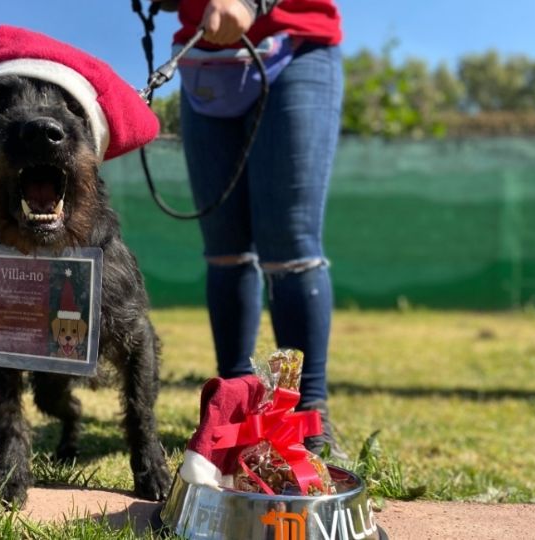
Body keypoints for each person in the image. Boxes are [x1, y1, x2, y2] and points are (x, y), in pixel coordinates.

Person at [153, 0, 347, 459]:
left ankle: (305, 417)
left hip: (296, 44)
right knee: (224, 246)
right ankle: (235, 407)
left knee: (291, 244)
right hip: (205, 58)